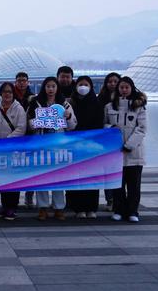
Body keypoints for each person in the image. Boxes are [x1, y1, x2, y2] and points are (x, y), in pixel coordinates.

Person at [26, 76, 77, 221]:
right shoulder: (35, 103)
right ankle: (42, 208)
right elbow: (28, 124)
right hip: (41, 145)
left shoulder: (65, 104)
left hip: (59, 146)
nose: (50, 89)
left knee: (59, 177)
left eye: (53, 86)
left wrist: (68, 117)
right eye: (48, 86)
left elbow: (73, 125)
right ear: (44, 88)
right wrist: (39, 122)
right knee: (41, 177)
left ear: (57, 88)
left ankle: (59, 208)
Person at [105, 76, 147, 223]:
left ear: (131, 89)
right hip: (115, 152)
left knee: (134, 185)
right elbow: (104, 125)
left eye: (126, 87)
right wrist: (110, 128)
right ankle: (118, 210)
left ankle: (133, 211)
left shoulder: (139, 107)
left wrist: (129, 145)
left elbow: (141, 129)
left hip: (134, 153)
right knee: (118, 184)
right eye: (121, 87)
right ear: (117, 89)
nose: (123, 90)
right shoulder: (109, 107)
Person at [66, 76, 104, 219]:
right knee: (77, 178)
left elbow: (99, 125)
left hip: (91, 147)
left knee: (91, 177)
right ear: (76, 87)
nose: (83, 87)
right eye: (80, 84)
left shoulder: (97, 103)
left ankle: (91, 208)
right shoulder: (71, 104)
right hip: (75, 146)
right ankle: (78, 208)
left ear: (91, 87)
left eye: (86, 84)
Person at [0, 82, 27, 221]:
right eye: (4, 92)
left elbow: (21, 128)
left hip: (13, 150)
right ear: (0, 94)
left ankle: (12, 207)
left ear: (13, 94)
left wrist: (7, 141)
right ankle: (4, 206)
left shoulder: (19, 109)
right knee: (2, 179)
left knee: (13, 179)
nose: (7, 94)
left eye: (10, 92)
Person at [97, 72, 121, 211]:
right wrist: (110, 128)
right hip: (106, 141)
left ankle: (120, 199)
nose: (112, 84)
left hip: (123, 142)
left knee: (121, 172)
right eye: (110, 81)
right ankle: (110, 199)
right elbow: (100, 121)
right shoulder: (101, 100)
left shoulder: (128, 100)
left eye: (115, 81)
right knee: (108, 171)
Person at [14, 71, 37, 209]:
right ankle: (14, 197)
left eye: (24, 80)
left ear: (28, 82)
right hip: (15, 137)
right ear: (15, 82)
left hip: (30, 137)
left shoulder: (33, 98)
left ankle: (29, 196)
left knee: (31, 168)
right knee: (15, 168)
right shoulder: (11, 95)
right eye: (19, 80)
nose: (21, 83)